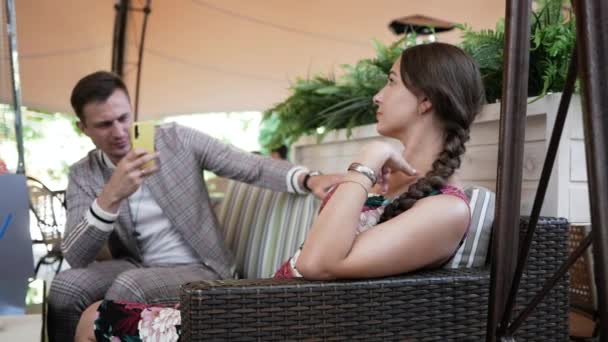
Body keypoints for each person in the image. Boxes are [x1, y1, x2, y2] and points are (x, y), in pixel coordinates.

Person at [76, 42, 485, 341]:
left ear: (426, 101)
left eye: (392, 82)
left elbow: (318, 261)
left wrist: (369, 157)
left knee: (96, 319)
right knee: (92, 310)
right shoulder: (388, 181)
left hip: (277, 323)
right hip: (267, 307)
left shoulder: (444, 210)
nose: (378, 95)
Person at [48, 71, 340, 342]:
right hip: (137, 263)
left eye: (124, 117)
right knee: (65, 288)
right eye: (104, 124)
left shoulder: (176, 140)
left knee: (128, 288)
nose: (120, 131)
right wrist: (110, 196)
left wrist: (307, 178)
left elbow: (247, 165)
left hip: (201, 266)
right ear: (83, 127)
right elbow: (76, 255)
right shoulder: (83, 173)